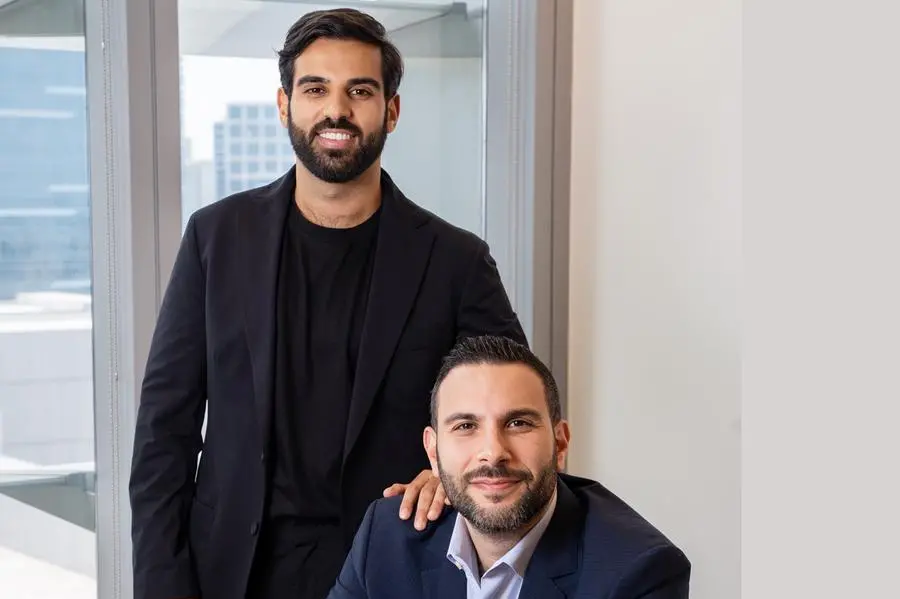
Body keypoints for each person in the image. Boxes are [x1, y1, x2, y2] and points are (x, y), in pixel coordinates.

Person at [129, 9, 526, 599]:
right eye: (316, 89)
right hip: (232, 572)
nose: (336, 110)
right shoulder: (216, 239)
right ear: (285, 105)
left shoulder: (455, 261)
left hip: (392, 569)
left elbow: (517, 411)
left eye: (359, 91)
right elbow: (165, 433)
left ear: (391, 111)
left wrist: (448, 473)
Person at [327, 335, 691, 599]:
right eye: (465, 426)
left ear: (560, 444)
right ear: (433, 452)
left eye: (518, 423)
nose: (493, 453)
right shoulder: (387, 536)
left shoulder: (638, 574)